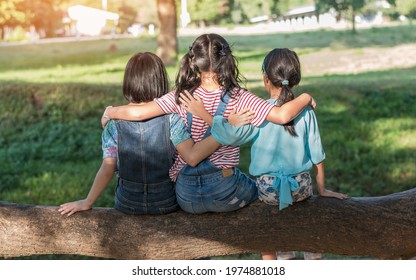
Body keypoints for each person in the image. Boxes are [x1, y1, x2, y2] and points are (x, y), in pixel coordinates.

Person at [101, 34, 315, 215]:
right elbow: (282, 116)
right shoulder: (240, 97)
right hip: (224, 190)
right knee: (255, 187)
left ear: (194, 61)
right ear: (227, 61)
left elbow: (138, 113)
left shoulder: (180, 96)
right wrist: (305, 97)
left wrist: (110, 111)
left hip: (186, 194)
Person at [181, 48, 348, 260]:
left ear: (265, 79)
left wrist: (209, 116)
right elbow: (317, 154)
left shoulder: (259, 110)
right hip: (301, 187)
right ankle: (313, 257)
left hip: (268, 189)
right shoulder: (305, 111)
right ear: (294, 79)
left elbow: (230, 136)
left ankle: (280, 259)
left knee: (267, 213)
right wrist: (322, 189)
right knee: (303, 215)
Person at [58, 52, 220, 217]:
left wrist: (87, 202)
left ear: (128, 83)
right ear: (160, 81)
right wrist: (225, 132)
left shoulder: (113, 123)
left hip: (128, 202)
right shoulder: (172, 118)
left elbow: (108, 167)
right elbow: (190, 157)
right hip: (166, 201)